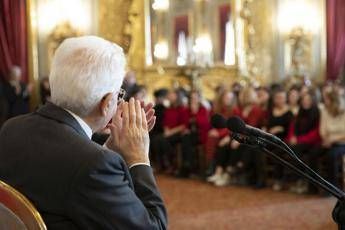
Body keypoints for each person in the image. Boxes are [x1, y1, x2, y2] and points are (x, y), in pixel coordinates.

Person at [0, 36, 167, 229]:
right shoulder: (93, 165)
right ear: (107, 103)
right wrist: (138, 157)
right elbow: (153, 227)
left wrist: (107, 149)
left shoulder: (11, 128)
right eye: (119, 95)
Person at [287, 88, 321, 194]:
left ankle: (306, 183)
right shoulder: (299, 113)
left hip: (313, 142)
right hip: (299, 142)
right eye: (304, 100)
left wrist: (299, 140)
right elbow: (293, 127)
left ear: (313, 101)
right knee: (289, 149)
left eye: (308, 100)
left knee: (302, 152)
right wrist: (292, 137)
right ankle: (297, 180)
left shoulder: (317, 113)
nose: (306, 102)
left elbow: (316, 133)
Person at [265, 88, 293, 191]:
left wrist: (278, 129)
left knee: (278, 152)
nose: (279, 100)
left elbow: (289, 129)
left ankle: (278, 180)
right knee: (256, 146)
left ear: (285, 99)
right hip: (270, 138)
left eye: (281, 98)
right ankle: (259, 178)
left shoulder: (289, 112)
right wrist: (271, 130)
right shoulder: (271, 111)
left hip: (283, 140)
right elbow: (267, 126)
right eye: (277, 98)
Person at [178, 90, 210, 177]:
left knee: (186, 139)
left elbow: (205, 124)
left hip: (201, 134)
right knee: (186, 138)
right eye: (192, 98)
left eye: (196, 98)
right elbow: (185, 123)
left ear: (199, 98)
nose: (194, 100)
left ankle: (187, 166)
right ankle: (188, 165)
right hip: (190, 135)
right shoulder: (186, 110)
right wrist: (187, 129)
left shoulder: (203, 109)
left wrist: (194, 116)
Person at [319, 86, 345, 187]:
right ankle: (314, 185)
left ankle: (331, 186)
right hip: (328, 142)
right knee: (314, 152)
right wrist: (326, 139)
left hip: (342, 143)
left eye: (327, 100)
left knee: (331, 155)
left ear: (333, 101)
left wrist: (332, 140)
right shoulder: (325, 111)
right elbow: (322, 129)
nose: (324, 102)